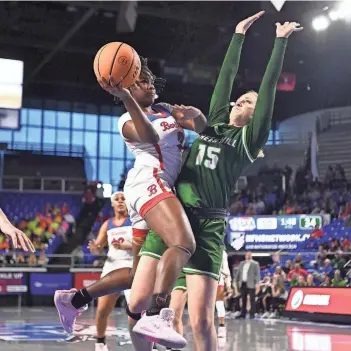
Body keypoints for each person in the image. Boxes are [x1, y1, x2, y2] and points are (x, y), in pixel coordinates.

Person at [131, 12, 302, 350]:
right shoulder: (216, 122)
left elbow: (268, 91)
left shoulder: (249, 141)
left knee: (202, 322)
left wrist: (279, 42)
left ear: (257, 115)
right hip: (176, 216)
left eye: (251, 101)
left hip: (207, 227)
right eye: (243, 96)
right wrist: (237, 34)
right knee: (137, 304)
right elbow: (226, 77)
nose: (244, 98)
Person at [54, 57, 207, 349]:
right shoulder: (125, 119)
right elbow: (149, 137)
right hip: (150, 183)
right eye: (138, 82)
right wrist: (125, 97)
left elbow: (203, 128)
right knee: (184, 243)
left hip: (147, 190)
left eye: (148, 80)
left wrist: (195, 114)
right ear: (126, 89)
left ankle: (74, 299)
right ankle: (157, 314)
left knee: (139, 275)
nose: (147, 84)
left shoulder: (165, 110)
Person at [78, 192, 132, 351]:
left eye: (123, 199)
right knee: (102, 310)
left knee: (137, 310)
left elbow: (143, 245)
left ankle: (151, 344)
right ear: (113, 204)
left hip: (132, 265)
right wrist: (95, 248)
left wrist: (125, 247)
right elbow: (98, 248)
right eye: (117, 199)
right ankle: (100, 343)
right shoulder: (107, 224)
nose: (121, 201)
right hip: (112, 266)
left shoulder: (135, 221)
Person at [235, 252, 261, 319]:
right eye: (247, 255)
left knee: (252, 299)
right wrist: (236, 280)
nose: (248, 256)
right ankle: (243, 313)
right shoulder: (242, 263)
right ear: (245, 256)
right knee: (243, 299)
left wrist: (257, 283)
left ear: (251, 256)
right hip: (243, 283)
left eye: (250, 255)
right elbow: (238, 273)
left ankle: (252, 314)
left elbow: (257, 274)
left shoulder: (255, 264)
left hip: (251, 283)